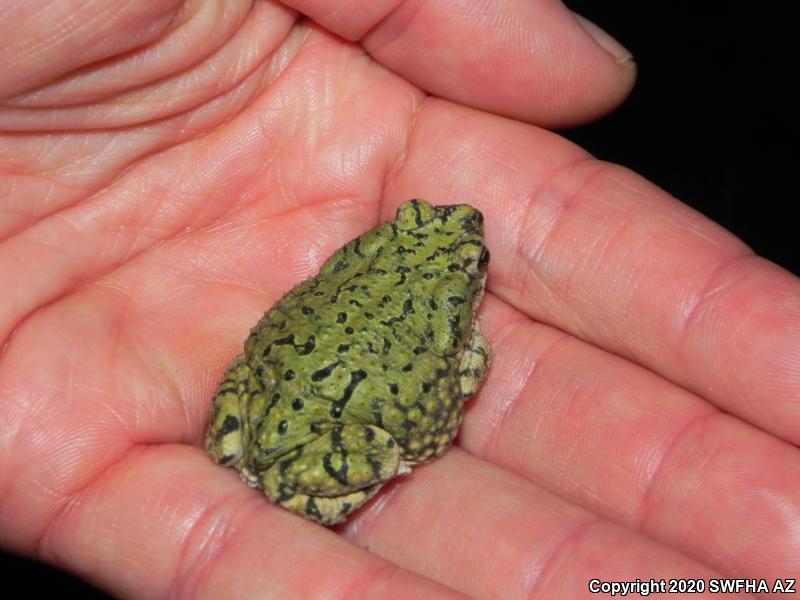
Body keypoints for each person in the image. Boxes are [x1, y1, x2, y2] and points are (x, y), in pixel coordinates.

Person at [1, 1, 797, 598]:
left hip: (261, 405)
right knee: (373, 441)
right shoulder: (460, 331)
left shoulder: (372, 268)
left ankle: (259, 457)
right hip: (317, 416)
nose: (444, 220)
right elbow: (456, 378)